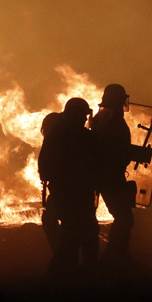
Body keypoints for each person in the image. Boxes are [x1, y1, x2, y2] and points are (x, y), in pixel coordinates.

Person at [38, 98, 100, 275]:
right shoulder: (86, 138)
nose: (83, 119)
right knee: (80, 230)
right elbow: (97, 163)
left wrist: (52, 183)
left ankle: (69, 269)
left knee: (75, 229)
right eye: (82, 115)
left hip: (64, 191)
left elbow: (44, 163)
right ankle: (70, 269)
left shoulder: (55, 136)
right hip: (78, 192)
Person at [90, 84, 134, 268]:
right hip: (110, 177)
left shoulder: (101, 118)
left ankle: (119, 257)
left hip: (106, 175)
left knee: (123, 216)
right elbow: (113, 149)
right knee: (125, 218)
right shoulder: (112, 121)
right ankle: (112, 257)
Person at [39, 112, 63, 252]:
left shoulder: (53, 139)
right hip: (66, 189)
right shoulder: (80, 137)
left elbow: (44, 165)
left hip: (62, 189)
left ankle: (62, 256)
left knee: (50, 221)